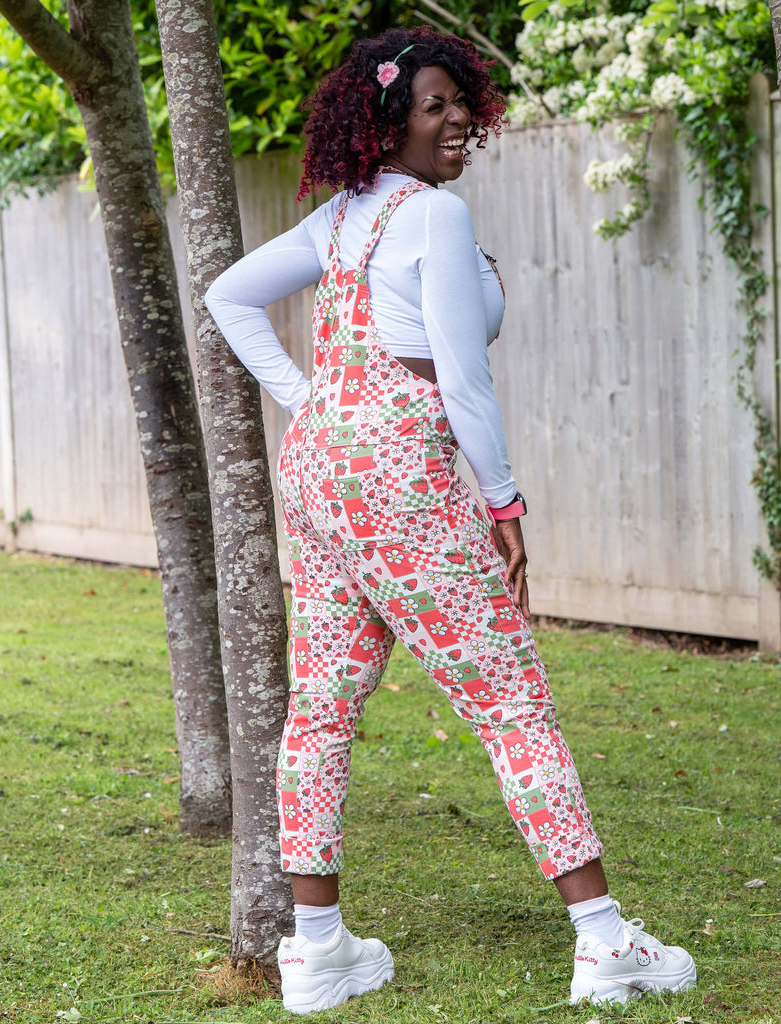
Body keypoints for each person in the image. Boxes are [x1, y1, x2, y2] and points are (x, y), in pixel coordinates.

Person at [205, 26, 696, 1015]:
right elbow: (464, 382)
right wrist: (504, 500)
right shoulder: (430, 216)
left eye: (459, 100)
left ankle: (315, 949)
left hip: (323, 478)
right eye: (433, 106)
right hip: (401, 483)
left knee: (322, 707)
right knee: (511, 704)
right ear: (387, 126)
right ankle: (605, 944)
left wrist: (312, 403)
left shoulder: (341, 220)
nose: (458, 117)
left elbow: (229, 295)